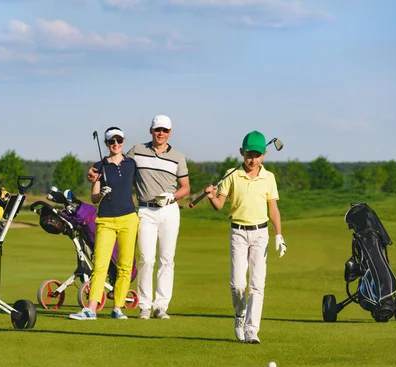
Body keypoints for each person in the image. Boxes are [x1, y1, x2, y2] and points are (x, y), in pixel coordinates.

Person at [88, 115, 190, 319]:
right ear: (151, 131)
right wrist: (94, 173)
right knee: (146, 259)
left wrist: (173, 196)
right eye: (157, 129)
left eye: (165, 130)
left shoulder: (178, 156)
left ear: (170, 132)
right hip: (145, 210)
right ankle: (144, 305)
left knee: (166, 260)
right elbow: (114, 164)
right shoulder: (136, 151)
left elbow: (186, 188)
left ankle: (161, 305)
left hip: (169, 210)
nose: (161, 133)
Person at [203, 130, 286, 344]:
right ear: (241, 152)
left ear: (264, 155)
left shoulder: (269, 177)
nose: (253, 159)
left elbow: (273, 209)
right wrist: (212, 196)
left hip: (261, 233)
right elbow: (219, 205)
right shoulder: (231, 175)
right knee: (238, 285)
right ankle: (240, 315)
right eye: (249, 154)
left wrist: (279, 235)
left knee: (257, 285)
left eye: (257, 155)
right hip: (238, 233)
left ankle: (252, 330)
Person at [69, 127, 139, 320]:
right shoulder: (99, 166)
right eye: (111, 141)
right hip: (106, 220)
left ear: (123, 141)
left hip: (129, 218)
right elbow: (93, 198)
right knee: (100, 265)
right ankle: (91, 309)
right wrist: (101, 193)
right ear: (106, 144)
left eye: (119, 140)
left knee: (125, 266)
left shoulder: (131, 164)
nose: (116, 144)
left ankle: (118, 307)